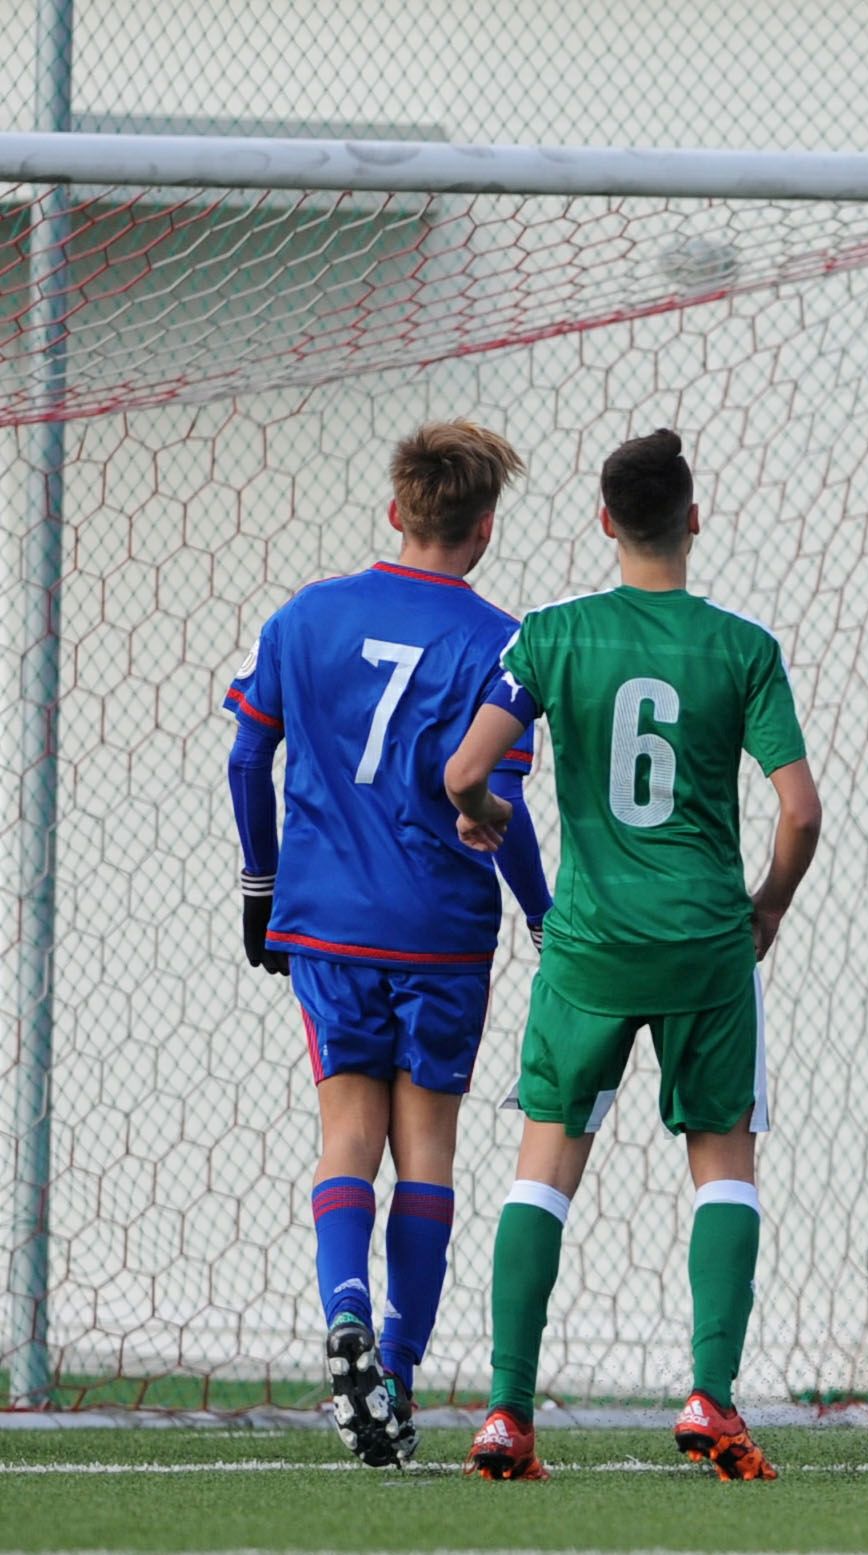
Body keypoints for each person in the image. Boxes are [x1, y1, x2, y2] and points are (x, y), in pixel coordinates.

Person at [445, 429, 821, 1482]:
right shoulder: (744, 649)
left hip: (591, 944)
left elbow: (464, 769)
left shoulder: (551, 635)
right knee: (723, 1164)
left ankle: (507, 1413)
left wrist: (484, 812)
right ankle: (710, 1396)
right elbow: (800, 811)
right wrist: (768, 907)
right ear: (692, 520)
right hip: (705, 941)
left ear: (606, 522)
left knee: (544, 1169)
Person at [223, 420, 548, 1466]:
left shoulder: (305, 617)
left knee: (346, 1135)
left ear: (396, 510)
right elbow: (501, 804)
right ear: (485, 528)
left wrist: (260, 882)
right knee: (428, 1150)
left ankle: (345, 1313)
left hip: (326, 918)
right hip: (441, 930)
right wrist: (543, 914)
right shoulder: (501, 644)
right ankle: (396, 1375)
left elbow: (247, 756)